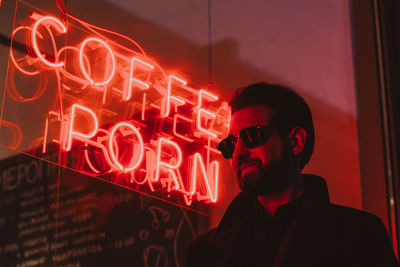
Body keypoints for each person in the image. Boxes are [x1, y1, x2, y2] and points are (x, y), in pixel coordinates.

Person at [186, 82, 399, 267]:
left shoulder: (360, 234)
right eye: (230, 143)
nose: (238, 153)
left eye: (253, 135)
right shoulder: (204, 253)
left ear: (296, 141)